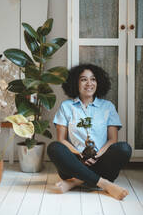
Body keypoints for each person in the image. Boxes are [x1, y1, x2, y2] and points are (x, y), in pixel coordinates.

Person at [47, 63, 132, 200]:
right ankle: (104, 184)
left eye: (93, 79)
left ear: (98, 83)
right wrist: (79, 155)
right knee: (54, 148)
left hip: (101, 160)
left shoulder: (107, 106)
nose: (89, 83)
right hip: (75, 161)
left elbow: (112, 140)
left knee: (124, 148)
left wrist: (97, 156)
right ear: (76, 83)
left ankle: (75, 181)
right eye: (83, 79)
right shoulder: (67, 106)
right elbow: (61, 140)